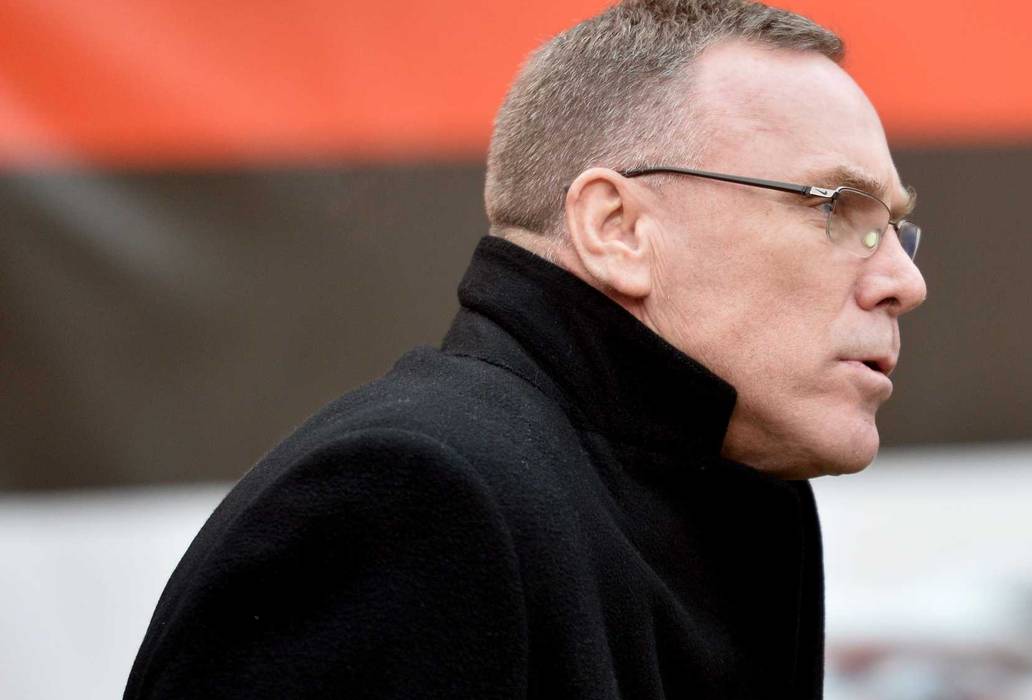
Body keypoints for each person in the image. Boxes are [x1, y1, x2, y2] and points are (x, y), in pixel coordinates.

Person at [124, 0, 926, 697]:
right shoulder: (414, 501)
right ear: (617, 229)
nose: (903, 280)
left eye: (894, 227)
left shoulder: (738, 496)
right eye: (839, 209)